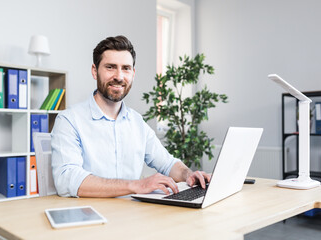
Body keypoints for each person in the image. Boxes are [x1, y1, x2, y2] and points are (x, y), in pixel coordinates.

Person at [51, 35, 211, 198]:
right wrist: (135, 185)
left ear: (133, 73)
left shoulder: (137, 122)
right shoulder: (69, 120)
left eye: (126, 68)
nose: (119, 76)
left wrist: (188, 175)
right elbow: (66, 180)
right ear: (94, 71)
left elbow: (168, 163)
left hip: (133, 215)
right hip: (90, 216)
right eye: (110, 67)